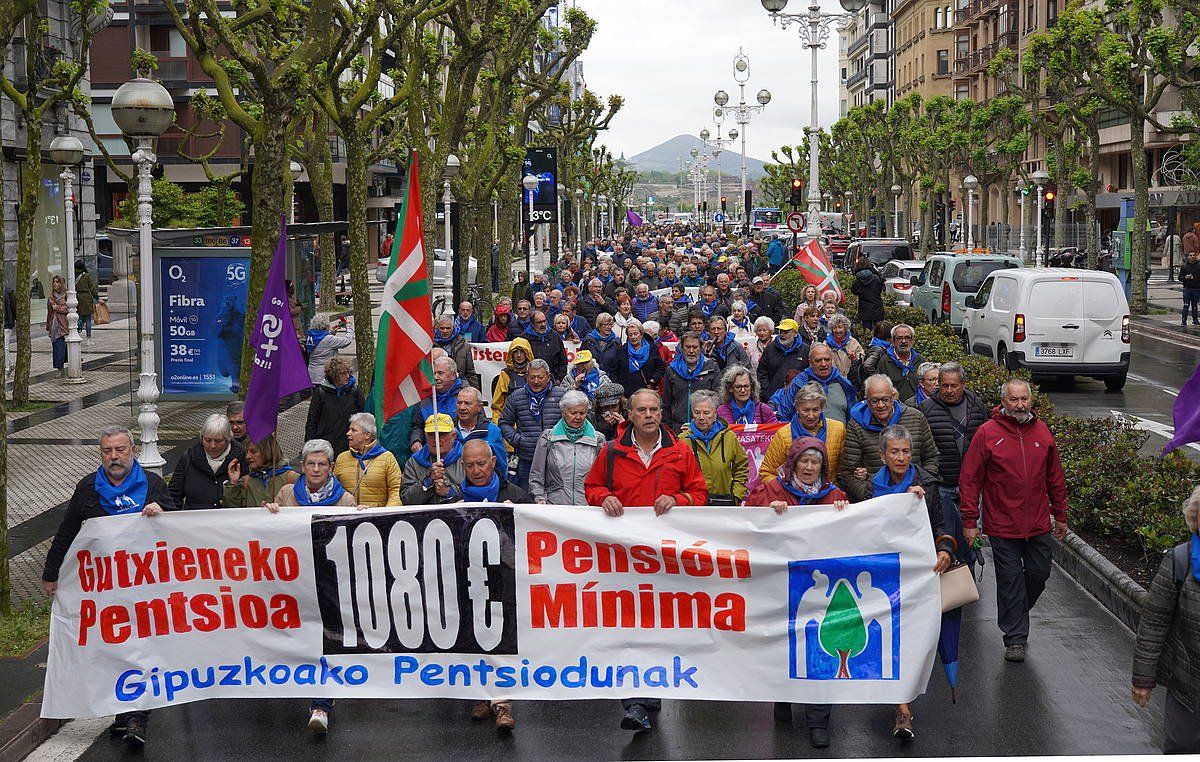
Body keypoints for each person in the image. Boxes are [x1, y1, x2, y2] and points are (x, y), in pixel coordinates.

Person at [583, 389, 708, 732]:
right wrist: (604, 496)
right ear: (631, 414)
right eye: (642, 410)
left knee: (660, 628)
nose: (650, 415)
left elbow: (700, 494)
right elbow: (591, 488)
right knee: (630, 628)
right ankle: (635, 701)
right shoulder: (610, 452)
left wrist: (678, 499)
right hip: (624, 560)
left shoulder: (681, 451)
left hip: (667, 559)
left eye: (654, 409)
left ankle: (651, 694)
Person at [42, 426, 175, 748]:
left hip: (145, 587)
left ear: (132, 450)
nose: (114, 457)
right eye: (107, 451)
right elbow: (68, 531)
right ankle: (121, 713)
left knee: (141, 650)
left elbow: (177, 528)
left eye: (120, 450)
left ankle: (136, 717)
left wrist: (163, 512)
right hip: (104, 591)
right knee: (113, 650)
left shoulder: (152, 486)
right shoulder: (88, 488)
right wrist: (51, 572)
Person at [744, 436, 846, 748]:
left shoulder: (835, 496)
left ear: (822, 467)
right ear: (793, 464)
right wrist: (765, 511)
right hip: (779, 584)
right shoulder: (771, 490)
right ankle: (783, 698)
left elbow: (854, 536)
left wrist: (846, 513)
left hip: (820, 587)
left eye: (816, 463)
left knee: (818, 647)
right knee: (783, 643)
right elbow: (747, 519)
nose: (809, 468)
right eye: (804, 462)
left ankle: (818, 719)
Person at [960, 378, 1068, 663]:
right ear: (1003, 402)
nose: (1020, 405)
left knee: (1039, 574)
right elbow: (970, 480)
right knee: (1009, 582)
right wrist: (970, 521)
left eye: (1024, 399)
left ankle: (1016, 611)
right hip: (1002, 526)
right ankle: (1015, 638)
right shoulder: (987, 433)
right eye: (1014, 400)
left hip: (1038, 524)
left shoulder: (1042, 432)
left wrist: (1061, 515)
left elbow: (1055, 477)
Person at [862, 424, 956, 740]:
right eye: (895, 452)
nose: (901, 457)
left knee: (909, 638)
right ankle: (901, 707)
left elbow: (943, 527)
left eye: (906, 451)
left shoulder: (926, 485)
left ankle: (903, 704)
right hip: (881, 576)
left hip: (917, 577)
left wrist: (944, 549)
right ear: (882, 455)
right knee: (887, 636)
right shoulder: (868, 489)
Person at [1132, 485, 1200, 753]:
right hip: (1189, 688)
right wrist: (1143, 679)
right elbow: (1153, 623)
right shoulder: (1180, 561)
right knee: (1182, 747)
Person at [918, 361, 988, 568]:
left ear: (963, 384)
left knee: (971, 536)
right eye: (944, 385)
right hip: (943, 485)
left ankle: (970, 574)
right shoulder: (926, 409)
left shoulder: (976, 405)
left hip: (973, 486)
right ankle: (952, 582)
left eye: (954, 386)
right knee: (948, 538)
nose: (949, 390)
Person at [839, 374, 938, 502]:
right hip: (877, 502)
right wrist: (871, 495)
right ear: (866, 400)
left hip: (915, 496)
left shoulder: (916, 418)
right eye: (874, 401)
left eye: (885, 399)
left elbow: (931, 458)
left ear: (893, 396)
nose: (880, 405)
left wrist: (922, 486)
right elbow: (849, 472)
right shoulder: (856, 425)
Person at [529, 390, 605, 505]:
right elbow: (536, 475)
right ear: (563, 412)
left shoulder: (598, 440)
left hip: (588, 508)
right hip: (555, 507)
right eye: (573, 413)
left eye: (582, 413)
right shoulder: (548, 437)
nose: (578, 417)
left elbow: (604, 478)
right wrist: (540, 498)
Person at [760, 384, 845, 484]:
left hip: (827, 494)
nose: (811, 415)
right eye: (805, 410)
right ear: (797, 408)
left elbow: (843, 471)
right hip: (791, 496)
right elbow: (766, 472)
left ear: (822, 408)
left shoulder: (838, 430)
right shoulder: (783, 435)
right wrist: (785, 491)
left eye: (815, 410)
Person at [499, 359, 564, 488]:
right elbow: (504, 422)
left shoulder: (562, 395)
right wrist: (518, 440)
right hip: (526, 458)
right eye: (532, 377)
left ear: (548, 377)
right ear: (527, 377)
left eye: (540, 377)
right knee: (526, 497)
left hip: (556, 459)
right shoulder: (516, 396)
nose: (536, 381)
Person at [679, 390, 748, 505]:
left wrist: (736, 495)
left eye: (706, 413)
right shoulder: (682, 440)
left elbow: (742, 466)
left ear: (715, 413)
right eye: (697, 412)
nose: (701, 417)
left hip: (724, 502)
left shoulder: (729, 437)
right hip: (694, 505)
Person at [169, 413, 244, 510]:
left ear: (228, 440)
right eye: (208, 440)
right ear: (202, 438)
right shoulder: (188, 458)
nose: (212, 445)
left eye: (218, 441)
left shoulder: (241, 456)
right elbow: (173, 495)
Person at [770, 343, 857, 423]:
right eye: (818, 360)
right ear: (810, 362)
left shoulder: (844, 383)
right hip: (805, 439)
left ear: (831, 360)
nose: (823, 364)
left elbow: (854, 418)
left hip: (839, 438)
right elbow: (784, 416)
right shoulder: (798, 383)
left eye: (827, 360)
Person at [334, 412, 402, 507]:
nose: (348, 433)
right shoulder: (341, 458)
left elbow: (396, 492)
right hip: (347, 519)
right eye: (349, 429)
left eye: (353, 430)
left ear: (367, 435)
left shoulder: (387, 458)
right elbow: (333, 490)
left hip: (376, 519)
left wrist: (384, 514)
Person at [661, 331, 721, 429]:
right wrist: (668, 428)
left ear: (700, 348)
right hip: (679, 427)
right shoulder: (671, 370)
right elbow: (666, 402)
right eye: (688, 347)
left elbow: (718, 400)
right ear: (681, 348)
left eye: (695, 347)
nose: (691, 351)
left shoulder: (711, 367)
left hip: (706, 426)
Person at [305, 357, 365, 455]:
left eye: (348, 373)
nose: (347, 376)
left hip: (348, 443)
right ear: (333, 375)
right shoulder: (321, 393)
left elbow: (363, 417)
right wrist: (309, 446)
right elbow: (312, 421)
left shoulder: (355, 392)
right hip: (326, 443)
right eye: (343, 374)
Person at [402, 414, 466, 504]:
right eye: (431, 435)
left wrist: (451, 492)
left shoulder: (467, 458)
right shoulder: (414, 462)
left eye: (442, 434)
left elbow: (478, 494)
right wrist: (427, 482)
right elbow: (406, 499)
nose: (436, 439)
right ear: (425, 435)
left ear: (454, 436)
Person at [223, 434, 297, 507]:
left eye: (253, 452)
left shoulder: (291, 478)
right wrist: (233, 483)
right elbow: (233, 512)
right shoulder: (246, 482)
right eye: (247, 452)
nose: (247, 456)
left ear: (268, 451)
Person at [409, 357, 465, 451]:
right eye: (434, 373)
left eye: (440, 373)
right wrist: (416, 440)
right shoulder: (424, 397)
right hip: (430, 453)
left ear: (453, 375)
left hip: (458, 453)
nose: (435, 377)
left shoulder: (465, 396)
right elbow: (417, 425)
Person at [455, 386, 507, 474]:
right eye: (459, 403)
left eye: (467, 403)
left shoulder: (492, 431)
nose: (462, 407)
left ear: (479, 407)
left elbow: (501, 466)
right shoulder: (449, 430)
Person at [756, 318, 808, 402]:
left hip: (798, 398)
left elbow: (808, 372)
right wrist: (766, 391)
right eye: (781, 331)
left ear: (795, 333)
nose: (782, 334)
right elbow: (762, 372)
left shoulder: (805, 350)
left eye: (786, 332)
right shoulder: (770, 349)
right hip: (772, 398)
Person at [613, 319, 663, 396]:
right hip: (628, 394)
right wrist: (620, 390)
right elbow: (614, 372)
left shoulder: (652, 348)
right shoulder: (622, 350)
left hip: (647, 391)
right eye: (630, 335)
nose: (633, 337)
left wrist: (653, 380)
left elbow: (660, 367)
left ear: (641, 334)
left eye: (635, 334)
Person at [491, 337, 533, 424]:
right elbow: (497, 406)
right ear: (511, 354)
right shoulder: (505, 375)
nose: (518, 355)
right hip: (510, 423)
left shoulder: (534, 373)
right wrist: (498, 425)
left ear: (527, 353)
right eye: (515, 352)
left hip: (531, 421)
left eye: (522, 352)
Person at [877, 323, 922, 401]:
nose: (904, 341)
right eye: (899, 338)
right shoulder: (885, 361)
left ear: (912, 340)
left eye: (907, 337)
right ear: (893, 341)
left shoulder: (919, 360)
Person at [434, 314, 480, 388]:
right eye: (442, 328)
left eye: (448, 328)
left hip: (459, 386)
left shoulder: (464, 346)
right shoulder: (430, 345)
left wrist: (475, 392)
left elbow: (470, 373)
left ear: (453, 328)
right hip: (437, 386)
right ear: (437, 329)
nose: (445, 331)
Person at [305, 314, 353, 385]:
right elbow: (346, 340)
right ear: (325, 326)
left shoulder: (310, 337)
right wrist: (349, 327)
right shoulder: (328, 340)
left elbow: (321, 342)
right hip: (323, 375)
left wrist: (332, 332)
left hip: (312, 374)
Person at [824, 314, 865, 382]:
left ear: (845, 328)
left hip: (852, 380)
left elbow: (862, 358)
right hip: (833, 380)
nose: (837, 331)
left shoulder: (853, 342)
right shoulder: (826, 344)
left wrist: (854, 358)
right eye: (834, 328)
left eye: (840, 327)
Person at [581, 312, 622, 378]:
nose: (608, 327)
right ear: (599, 326)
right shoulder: (588, 340)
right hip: (590, 377)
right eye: (605, 325)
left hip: (610, 379)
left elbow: (618, 365)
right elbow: (581, 361)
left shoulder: (616, 342)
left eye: (610, 324)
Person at [851, 256, 885, 331]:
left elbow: (854, 291)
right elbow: (881, 289)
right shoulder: (876, 278)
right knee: (879, 331)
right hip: (877, 307)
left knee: (866, 331)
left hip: (864, 309)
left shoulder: (857, 281)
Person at [46, 274, 68, 374]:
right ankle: (60, 369)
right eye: (54, 282)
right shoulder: (51, 297)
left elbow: (69, 309)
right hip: (55, 326)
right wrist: (48, 326)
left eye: (57, 282)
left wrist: (58, 308)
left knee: (65, 347)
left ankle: (73, 361)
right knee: (57, 347)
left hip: (65, 324)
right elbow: (49, 313)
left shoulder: (67, 295)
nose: (55, 284)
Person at [74, 258, 99, 344]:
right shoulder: (87, 276)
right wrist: (97, 297)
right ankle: (89, 339)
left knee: (79, 318)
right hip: (87, 298)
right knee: (88, 319)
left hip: (77, 297)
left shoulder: (74, 276)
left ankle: (77, 336)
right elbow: (92, 288)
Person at [1181, 247, 1200, 326]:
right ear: (1188, 257)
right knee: (1186, 305)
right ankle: (1183, 321)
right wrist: (1185, 277)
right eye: (1190, 255)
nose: (1192, 257)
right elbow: (1180, 277)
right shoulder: (1185, 266)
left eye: (1193, 255)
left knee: (1195, 306)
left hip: (1196, 289)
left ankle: (1195, 319)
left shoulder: (1199, 266)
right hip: (1187, 288)